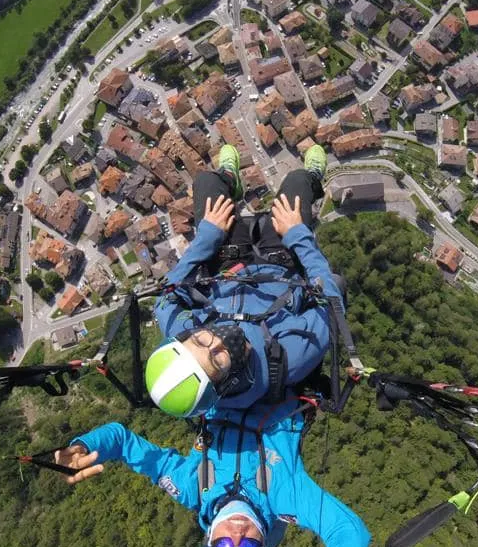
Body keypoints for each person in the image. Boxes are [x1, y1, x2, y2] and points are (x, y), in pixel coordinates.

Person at [55, 396, 370, 547]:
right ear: (264, 544)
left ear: (208, 541)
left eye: (222, 545)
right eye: (247, 546)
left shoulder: (192, 488)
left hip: (220, 383)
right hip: (281, 379)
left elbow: (123, 442)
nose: (236, 533)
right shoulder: (284, 498)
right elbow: (347, 530)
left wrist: (85, 446)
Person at [147, 143, 343, 418]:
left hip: (228, 265)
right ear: (224, 384)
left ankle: (229, 178)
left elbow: (166, 297)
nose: (217, 343)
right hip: (281, 263)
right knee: (297, 184)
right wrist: (298, 234)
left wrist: (206, 238)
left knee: (206, 182)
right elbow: (331, 305)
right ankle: (312, 177)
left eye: (202, 341)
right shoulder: (288, 359)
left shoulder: (185, 339)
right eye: (217, 360)